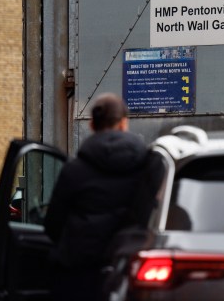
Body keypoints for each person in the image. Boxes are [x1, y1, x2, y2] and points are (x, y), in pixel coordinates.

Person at [44, 94, 164, 301]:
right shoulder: (150, 167)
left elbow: (53, 224)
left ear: (92, 125)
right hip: (129, 271)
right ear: (124, 123)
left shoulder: (73, 170)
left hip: (79, 275)